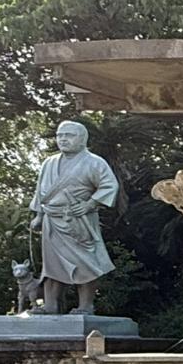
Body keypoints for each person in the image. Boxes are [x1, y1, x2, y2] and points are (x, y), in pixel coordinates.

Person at [29, 120, 120, 314]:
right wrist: (38, 215)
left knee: (86, 263)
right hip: (52, 220)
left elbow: (109, 186)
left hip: (79, 220)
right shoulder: (49, 163)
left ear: (82, 139)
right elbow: (41, 191)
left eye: (68, 135)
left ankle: (86, 306)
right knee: (51, 265)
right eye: (60, 135)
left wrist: (90, 204)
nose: (63, 139)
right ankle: (50, 305)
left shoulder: (94, 162)